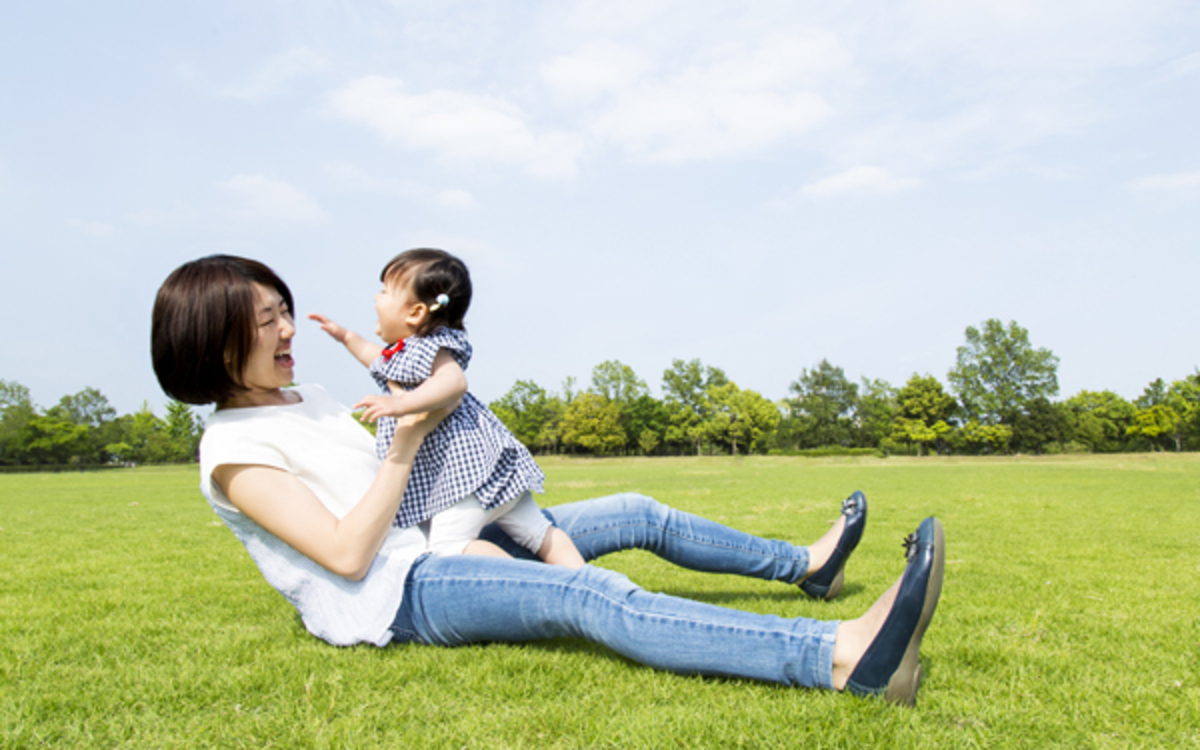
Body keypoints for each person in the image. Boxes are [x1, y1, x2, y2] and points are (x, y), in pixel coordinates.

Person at [150, 254, 946, 706]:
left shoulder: (306, 398)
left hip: (444, 534)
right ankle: (841, 656)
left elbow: (406, 406)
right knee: (588, 595)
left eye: (284, 311)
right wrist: (405, 447)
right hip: (404, 589)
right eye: (267, 321)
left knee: (636, 509)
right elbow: (348, 554)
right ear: (212, 340)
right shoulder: (232, 454)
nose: (289, 329)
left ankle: (805, 567)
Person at [308, 248, 584, 568]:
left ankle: (538, 586)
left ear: (415, 313)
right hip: (489, 467)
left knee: (449, 546)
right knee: (539, 533)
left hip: (465, 473)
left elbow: (454, 383)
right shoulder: (404, 354)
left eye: (385, 292)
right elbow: (376, 359)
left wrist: (401, 403)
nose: (375, 298)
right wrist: (345, 336)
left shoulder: (432, 346)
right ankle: (586, 586)